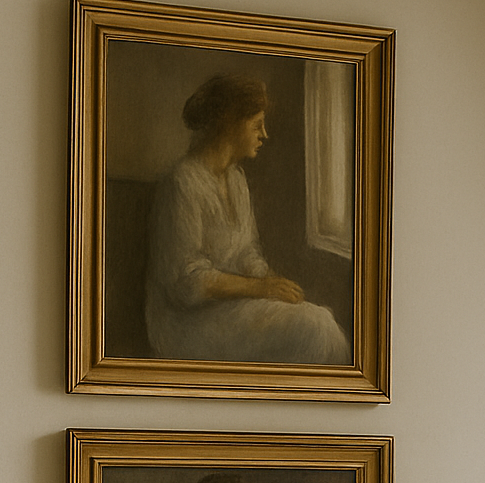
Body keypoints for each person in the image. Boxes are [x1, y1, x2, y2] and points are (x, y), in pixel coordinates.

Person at [145, 73, 350, 364]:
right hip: (186, 324)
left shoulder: (237, 180)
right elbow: (185, 284)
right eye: (257, 125)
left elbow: (247, 252)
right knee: (315, 328)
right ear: (229, 124)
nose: (264, 134)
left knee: (319, 319)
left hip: (230, 309)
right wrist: (260, 288)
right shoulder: (183, 182)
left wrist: (271, 282)